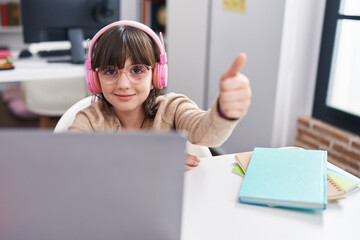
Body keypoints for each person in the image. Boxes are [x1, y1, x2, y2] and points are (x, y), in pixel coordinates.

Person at [69, 20, 252, 171]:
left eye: (137, 70)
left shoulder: (172, 107)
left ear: (157, 76)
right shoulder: (89, 119)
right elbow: (71, 160)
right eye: (110, 71)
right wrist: (154, 159)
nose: (123, 84)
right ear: (94, 78)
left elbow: (206, 134)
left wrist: (224, 111)